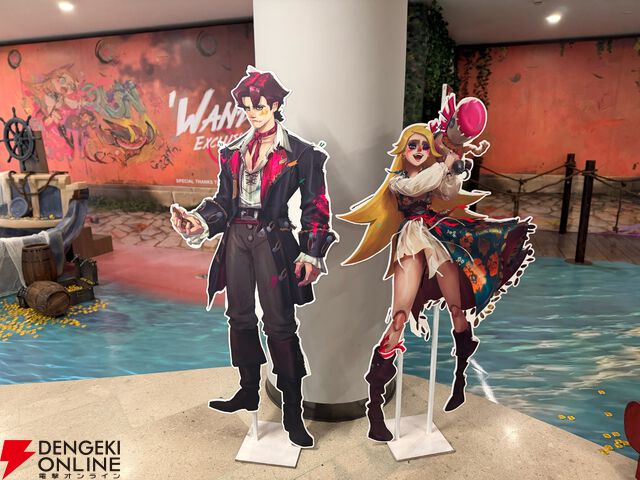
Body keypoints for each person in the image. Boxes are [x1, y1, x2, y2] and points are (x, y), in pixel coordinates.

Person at [339, 96, 535, 442]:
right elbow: (418, 186)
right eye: (412, 145)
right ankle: (375, 407)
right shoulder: (398, 181)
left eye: (423, 145)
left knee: (459, 309)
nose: (418, 150)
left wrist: (455, 169)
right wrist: (445, 162)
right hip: (410, 243)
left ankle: (460, 376)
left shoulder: (436, 168)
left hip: (436, 240)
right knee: (399, 317)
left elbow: (446, 191)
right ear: (403, 150)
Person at [170, 67, 336, 448]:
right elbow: (223, 203)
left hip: (272, 239)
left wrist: (311, 252)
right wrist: (198, 220)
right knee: (239, 316)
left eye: (259, 107)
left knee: (280, 324)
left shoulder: (302, 154)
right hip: (236, 238)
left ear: (275, 105)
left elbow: (316, 206)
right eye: (247, 108)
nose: (253, 114)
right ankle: (248, 390)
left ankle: (292, 411)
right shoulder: (232, 153)